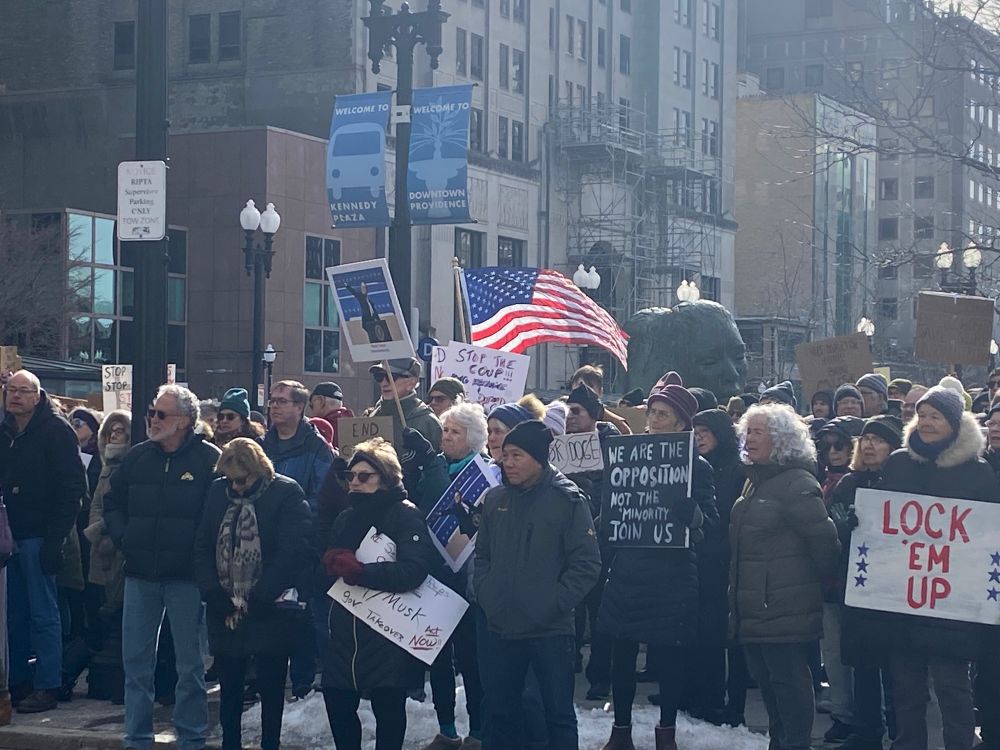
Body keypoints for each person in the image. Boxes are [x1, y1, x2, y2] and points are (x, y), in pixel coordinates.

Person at [864, 387, 999, 750]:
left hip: (952, 605)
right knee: (905, 689)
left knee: (953, 690)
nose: (926, 422)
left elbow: (987, 534)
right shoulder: (899, 464)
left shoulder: (978, 472)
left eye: (935, 416)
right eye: (922, 415)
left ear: (954, 423)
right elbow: (883, 523)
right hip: (903, 600)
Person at [597, 384, 718, 750]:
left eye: (662, 413)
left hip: (673, 575)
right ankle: (620, 732)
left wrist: (693, 516)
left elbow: (710, 527)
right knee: (622, 654)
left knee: (668, 657)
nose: (653, 419)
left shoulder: (698, 466)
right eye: (651, 412)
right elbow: (611, 509)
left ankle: (666, 734)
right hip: (630, 570)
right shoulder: (627, 457)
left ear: (682, 422)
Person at [103, 385, 222, 750]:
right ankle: (137, 738)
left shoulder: (209, 460)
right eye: (152, 413)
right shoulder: (138, 458)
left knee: (190, 666)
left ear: (185, 421)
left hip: (187, 578)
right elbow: (112, 502)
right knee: (136, 664)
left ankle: (191, 738)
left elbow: (217, 515)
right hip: (140, 575)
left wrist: (198, 555)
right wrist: (125, 538)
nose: (153, 420)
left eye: (161, 415)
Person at [475, 420, 602, 750]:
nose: (508, 462)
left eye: (517, 455)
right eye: (505, 455)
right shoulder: (495, 500)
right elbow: (483, 556)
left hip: (550, 631)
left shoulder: (568, 500)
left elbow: (587, 565)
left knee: (556, 714)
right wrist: (487, 593)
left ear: (539, 458)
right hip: (501, 627)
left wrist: (553, 603)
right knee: (499, 712)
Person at [731, 403, 841, 750]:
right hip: (756, 605)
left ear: (781, 440)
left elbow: (825, 544)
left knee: (789, 685)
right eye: (747, 431)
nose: (749, 439)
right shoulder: (755, 482)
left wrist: (803, 591)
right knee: (769, 684)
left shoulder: (796, 483)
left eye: (758, 432)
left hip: (783, 606)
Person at [320, 438, 437, 750]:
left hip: (388, 632)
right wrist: (328, 564)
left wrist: (361, 572)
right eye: (351, 476)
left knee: (388, 711)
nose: (355, 483)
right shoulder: (346, 516)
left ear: (386, 479)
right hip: (346, 629)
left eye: (364, 476)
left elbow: (414, 569)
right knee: (337, 701)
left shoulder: (405, 514)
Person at [194, 438, 311, 750]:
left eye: (241, 479)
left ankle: (270, 743)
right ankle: (230, 743)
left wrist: (263, 594)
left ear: (258, 470)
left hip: (269, 604)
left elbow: (292, 550)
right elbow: (203, 544)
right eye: (231, 479)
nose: (236, 486)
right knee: (229, 686)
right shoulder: (219, 491)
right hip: (226, 604)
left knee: (271, 685)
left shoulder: (285, 492)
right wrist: (211, 591)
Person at [0, 370, 86, 714]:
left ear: (38, 396)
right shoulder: (5, 431)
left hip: (41, 535)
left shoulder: (57, 431)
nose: (15, 396)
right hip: (9, 535)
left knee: (44, 613)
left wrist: (56, 539)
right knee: (13, 615)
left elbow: (73, 490)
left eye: (23, 391)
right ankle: (18, 681)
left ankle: (47, 684)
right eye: (11, 390)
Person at [412, 403, 487, 750]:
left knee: (471, 661)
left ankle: (478, 730)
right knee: (438, 658)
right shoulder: (433, 468)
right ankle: (446, 729)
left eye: (456, 432)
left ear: (472, 439)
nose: (447, 437)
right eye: (445, 430)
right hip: (436, 575)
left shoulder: (486, 472)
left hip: (469, 582)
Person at [828, 415, 902, 750]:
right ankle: (866, 730)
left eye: (879, 439)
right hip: (857, 587)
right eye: (866, 438)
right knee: (863, 665)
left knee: (896, 669)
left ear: (894, 446)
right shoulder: (848, 484)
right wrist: (842, 527)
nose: (870, 444)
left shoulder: (904, 483)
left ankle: (901, 731)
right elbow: (831, 535)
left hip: (896, 588)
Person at [261, 380, 334, 700]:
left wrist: (294, 522)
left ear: (299, 407)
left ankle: (305, 681)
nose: (274, 406)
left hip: (304, 546)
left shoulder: (317, 449)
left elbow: (324, 497)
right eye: (272, 401)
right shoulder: (263, 446)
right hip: (265, 545)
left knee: (307, 616)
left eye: (282, 401)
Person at [692, 408, 748, 726]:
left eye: (706, 432)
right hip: (702, 560)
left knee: (729, 637)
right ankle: (707, 696)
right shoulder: (695, 468)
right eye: (695, 432)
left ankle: (734, 703)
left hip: (729, 560)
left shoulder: (738, 470)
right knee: (705, 634)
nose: (699, 438)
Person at [564, 383, 619, 702]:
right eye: (568, 411)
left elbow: (614, 490)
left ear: (594, 416)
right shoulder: (563, 446)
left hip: (600, 541)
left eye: (576, 411)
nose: (569, 417)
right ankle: (570, 660)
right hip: (569, 540)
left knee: (599, 611)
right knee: (573, 608)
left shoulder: (611, 445)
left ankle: (600, 675)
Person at [82, 409, 131, 702]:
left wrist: (103, 532)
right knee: (101, 603)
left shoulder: (126, 466)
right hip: (99, 543)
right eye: (110, 431)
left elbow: (120, 507)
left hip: (115, 544)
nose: (115, 436)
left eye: (120, 430)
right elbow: (97, 503)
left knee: (118, 606)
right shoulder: (105, 465)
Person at [367, 359, 442, 450]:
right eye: (379, 376)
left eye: (391, 377)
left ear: (411, 383)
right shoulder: (372, 415)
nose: (384, 383)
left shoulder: (427, 422)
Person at [570, 364, 632, 436]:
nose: (584, 393)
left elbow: (627, 437)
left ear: (600, 392)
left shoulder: (614, 423)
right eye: (578, 389)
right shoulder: (565, 416)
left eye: (589, 389)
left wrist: (600, 413)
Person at [485, 396, 546, 461]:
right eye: (489, 432)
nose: (491, 438)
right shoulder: (484, 468)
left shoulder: (537, 470)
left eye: (498, 431)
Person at [309, 382, 354, 446]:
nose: (312, 412)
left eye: (311, 406)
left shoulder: (316, 428)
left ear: (320, 401)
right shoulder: (355, 427)